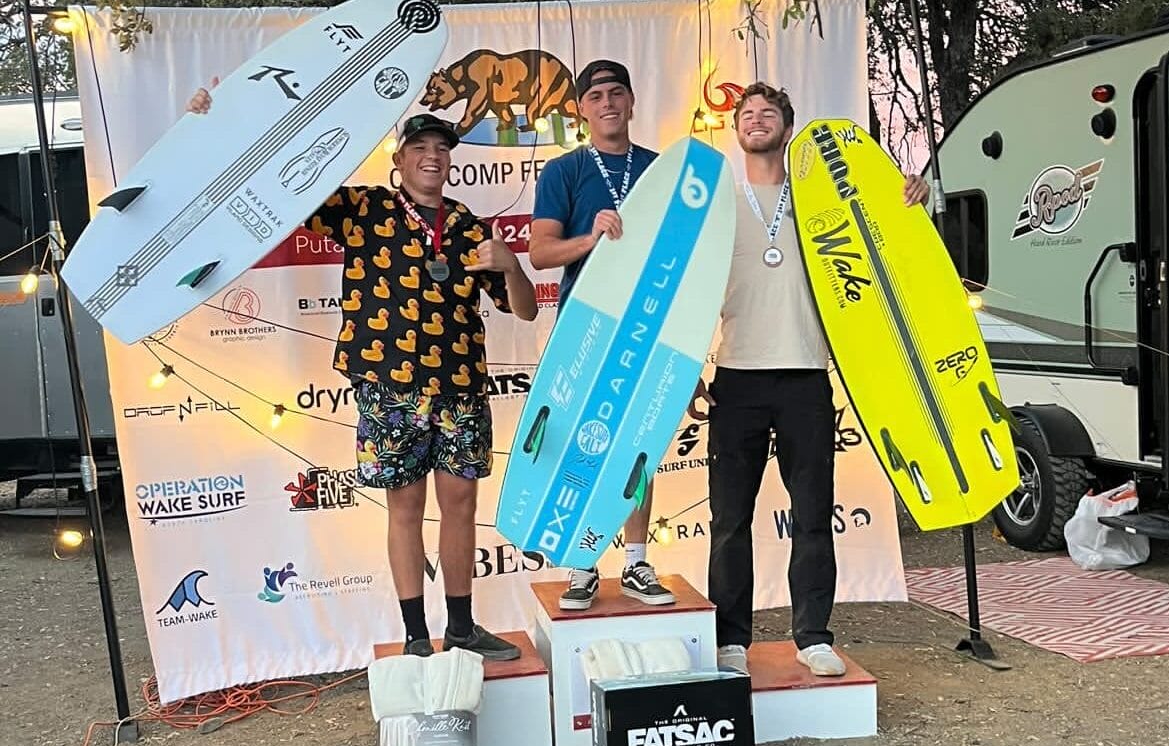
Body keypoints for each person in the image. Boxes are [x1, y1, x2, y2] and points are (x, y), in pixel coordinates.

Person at [187, 84, 538, 659]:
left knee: (462, 507)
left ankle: (461, 626)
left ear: (451, 160)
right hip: (389, 386)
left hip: (460, 389)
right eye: (419, 146)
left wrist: (511, 264)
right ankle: (416, 637)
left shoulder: (472, 224)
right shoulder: (365, 208)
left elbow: (521, 309)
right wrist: (219, 121)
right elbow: (281, 183)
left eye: (441, 148)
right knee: (404, 509)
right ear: (399, 161)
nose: (432, 156)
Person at [690, 82, 928, 676]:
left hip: (805, 376)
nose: (756, 120)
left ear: (787, 128)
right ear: (735, 130)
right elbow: (688, 294)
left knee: (815, 513)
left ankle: (813, 634)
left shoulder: (823, 199)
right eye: (746, 114)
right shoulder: (717, 201)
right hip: (737, 378)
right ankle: (731, 640)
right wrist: (690, 369)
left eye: (768, 113)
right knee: (729, 521)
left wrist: (908, 199)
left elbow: (882, 236)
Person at [527, 59, 675, 610]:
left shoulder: (662, 171)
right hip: (585, 329)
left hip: (649, 327)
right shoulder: (564, 171)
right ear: (582, 110)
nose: (608, 102)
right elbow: (540, 253)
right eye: (596, 96)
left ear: (632, 102)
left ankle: (637, 563)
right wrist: (588, 240)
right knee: (583, 444)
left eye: (617, 93)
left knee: (640, 443)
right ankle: (582, 564)